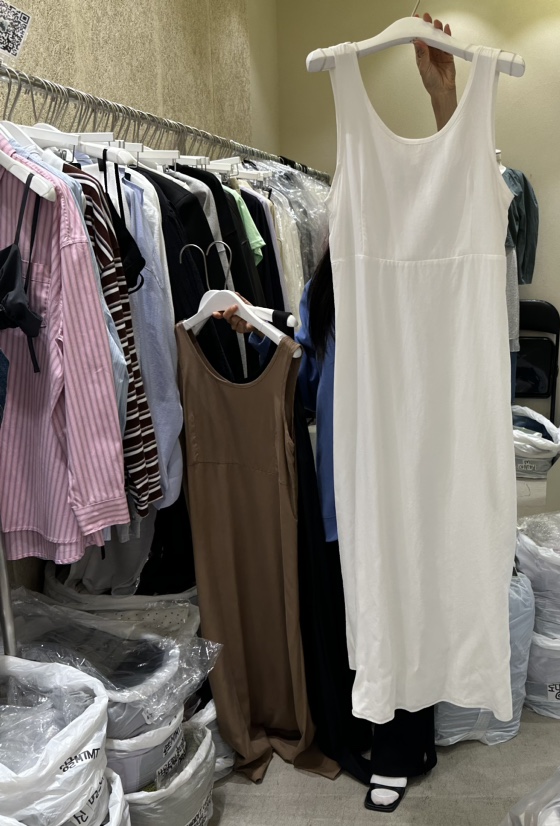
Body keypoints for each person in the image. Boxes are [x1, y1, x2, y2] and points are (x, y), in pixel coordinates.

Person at [216, 14, 460, 813]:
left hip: (406, 474)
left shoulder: (417, 281)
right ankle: (368, 735)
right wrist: (253, 324)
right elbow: (307, 353)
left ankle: (401, 747)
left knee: (405, 600)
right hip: (343, 477)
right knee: (359, 609)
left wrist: (444, 99)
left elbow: (460, 192)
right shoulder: (331, 282)